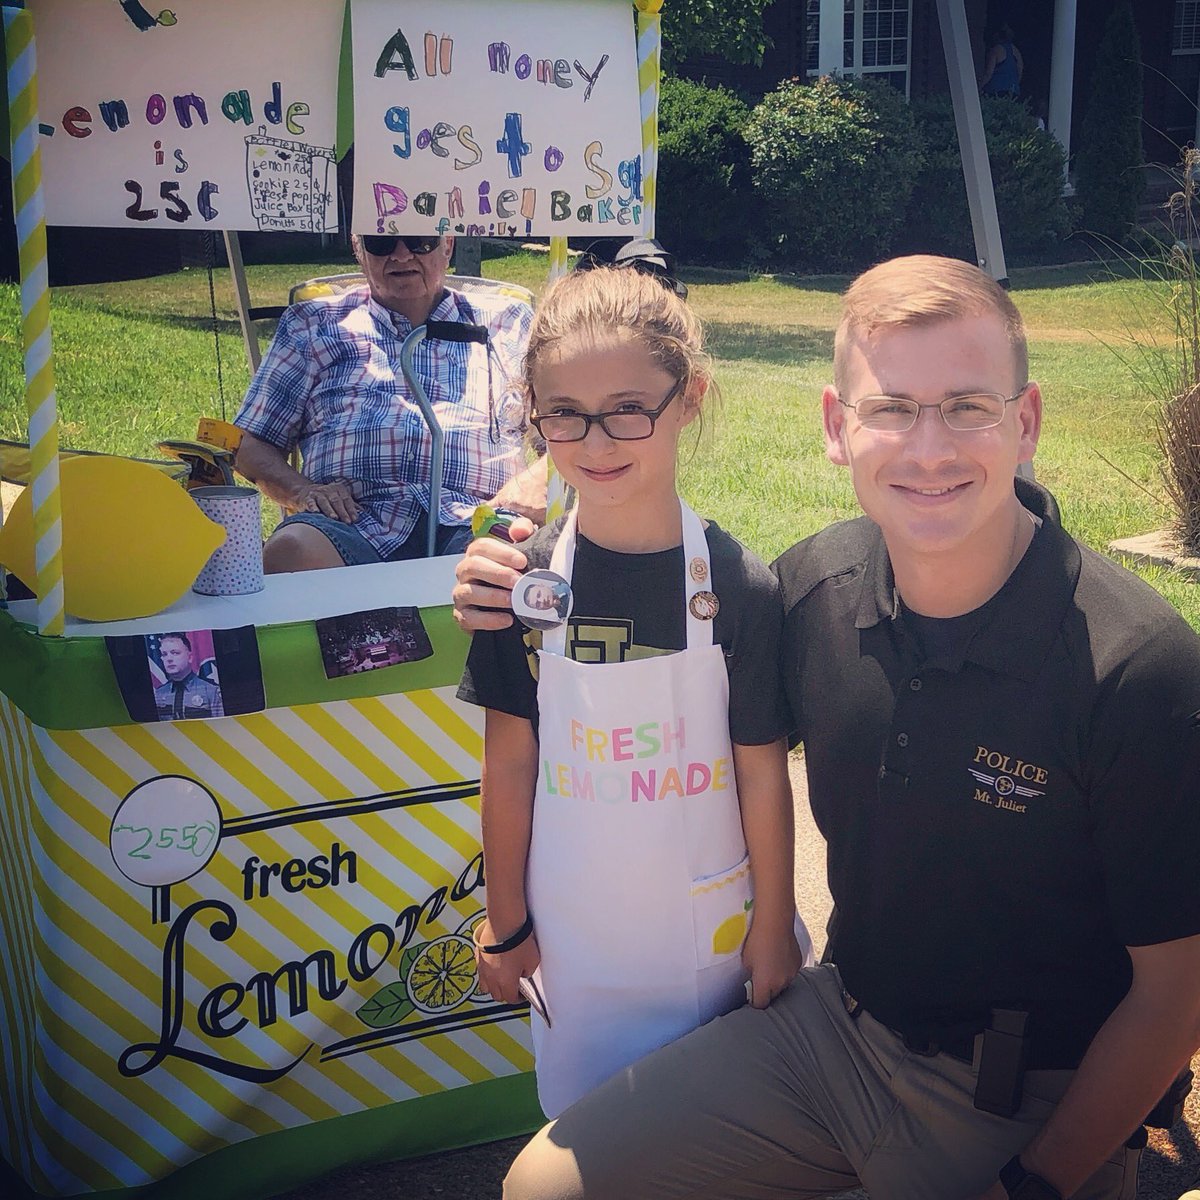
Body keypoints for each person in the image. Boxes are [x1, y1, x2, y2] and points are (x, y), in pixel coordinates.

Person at [453, 255, 1200, 1199]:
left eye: (967, 405)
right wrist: (511, 551)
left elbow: (1175, 997)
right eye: (890, 408)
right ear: (836, 427)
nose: (928, 448)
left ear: (1029, 420)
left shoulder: (1140, 669)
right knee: (543, 1189)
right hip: (834, 1032)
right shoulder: (807, 591)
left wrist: (1035, 1187)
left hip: (1030, 1102)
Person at [456, 265, 812, 1120]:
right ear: (535, 417)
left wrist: (772, 923)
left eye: (628, 408)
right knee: (584, 1133)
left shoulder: (735, 585)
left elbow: (762, 772)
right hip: (574, 940)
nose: (597, 440)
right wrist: (506, 924)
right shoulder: (524, 584)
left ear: (688, 400)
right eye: (564, 413)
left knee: (713, 1137)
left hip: (712, 938)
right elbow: (509, 764)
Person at [233, 233, 544, 572]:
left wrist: (536, 479)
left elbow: (571, 417)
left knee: (520, 563)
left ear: (448, 244)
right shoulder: (314, 323)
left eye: (419, 241)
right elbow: (249, 443)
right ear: (357, 248)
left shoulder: (506, 322)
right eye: (380, 243)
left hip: (477, 515)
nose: (400, 255)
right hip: (351, 517)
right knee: (291, 552)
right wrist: (303, 491)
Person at [153, 632, 224, 720]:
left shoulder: (211, 691)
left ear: (190, 657)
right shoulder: (159, 694)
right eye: (164, 654)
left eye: (175, 653)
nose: (169, 659)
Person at [981, 22, 1023, 98]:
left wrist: (979, 86)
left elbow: (988, 73)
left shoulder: (995, 51)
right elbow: (1020, 70)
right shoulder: (1016, 51)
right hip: (1013, 92)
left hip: (996, 91)